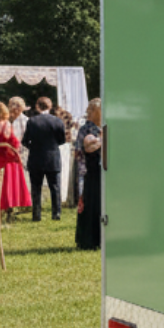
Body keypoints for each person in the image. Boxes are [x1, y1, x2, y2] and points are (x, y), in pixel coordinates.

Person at [0, 101, 31, 221]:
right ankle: (9, 209)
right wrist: (16, 147)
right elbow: (10, 138)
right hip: (6, 157)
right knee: (8, 183)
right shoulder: (6, 124)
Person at [22, 96, 67, 222]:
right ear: (50, 106)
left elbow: (25, 141)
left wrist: (34, 147)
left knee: (36, 187)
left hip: (36, 158)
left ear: (37, 106)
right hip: (52, 157)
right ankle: (56, 213)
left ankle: (36, 214)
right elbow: (62, 140)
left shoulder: (32, 121)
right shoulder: (58, 121)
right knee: (55, 187)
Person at [75, 98, 102, 251]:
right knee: (90, 204)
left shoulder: (103, 128)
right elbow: (83, 151)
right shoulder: (87, 129)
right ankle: (88, 240)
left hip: (101, 171)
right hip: (90, 172)